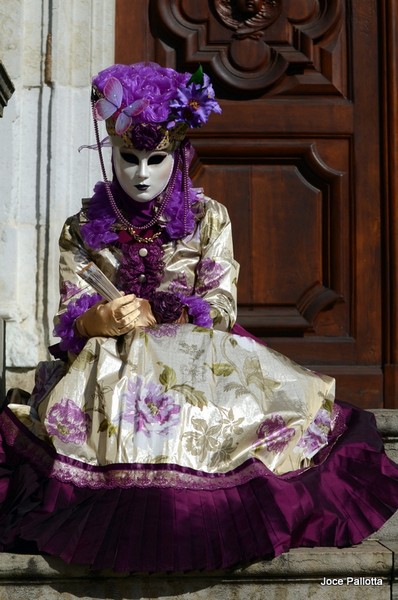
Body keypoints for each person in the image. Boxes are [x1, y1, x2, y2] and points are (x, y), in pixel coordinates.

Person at [1, 61, 398, 573]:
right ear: (110, 154)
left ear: (179, 155)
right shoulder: (83, 228)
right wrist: (101, 319)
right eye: (129, 157)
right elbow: (70, 312)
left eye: (156, 158)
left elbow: (220, 303)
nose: (141, 173)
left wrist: (161, 309)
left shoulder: (209, 218)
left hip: (197, 359)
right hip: (106, 368)